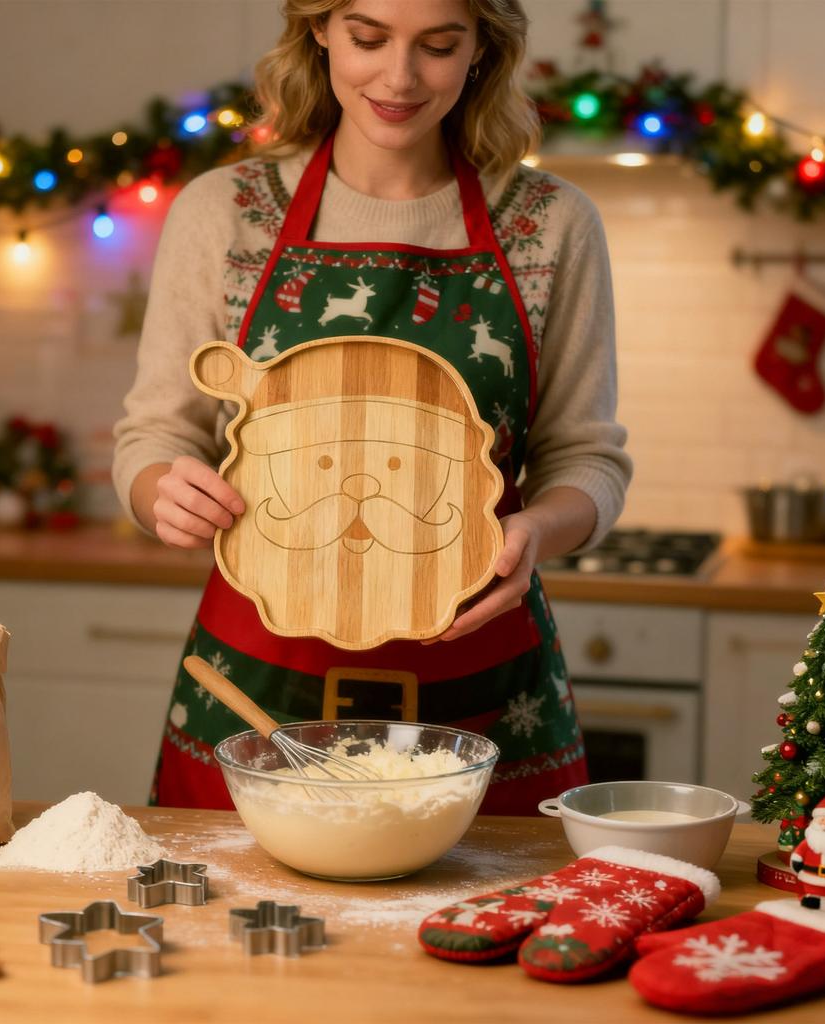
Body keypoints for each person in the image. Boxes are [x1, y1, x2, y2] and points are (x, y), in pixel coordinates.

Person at [113, 0, 632, 813]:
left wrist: (536, 530)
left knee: (489, 927)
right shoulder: (224, 213)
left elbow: (586, 457)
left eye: (437, 44)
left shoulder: (549, 225)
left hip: (483, 690)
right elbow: (156, 433)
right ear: (318, 29)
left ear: (481, 49)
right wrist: (158, 492)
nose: (399, 76)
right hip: (258, 685)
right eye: (367, 38)